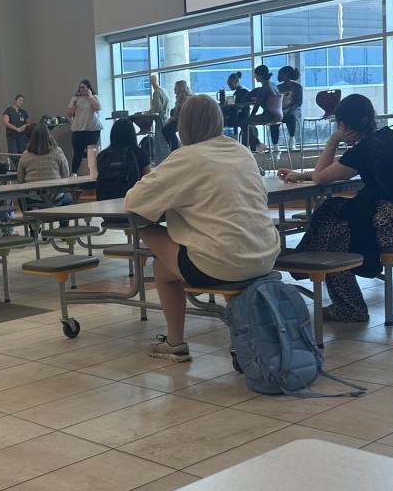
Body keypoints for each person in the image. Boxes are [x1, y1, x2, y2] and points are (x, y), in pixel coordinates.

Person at [125, 95, 280, 362]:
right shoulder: (241, 151)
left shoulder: (186, 157)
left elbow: (134, 201)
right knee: (166, 268)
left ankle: (175, 342)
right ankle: (237, 335)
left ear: (183, 125)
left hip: (220, 263)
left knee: (143, 225)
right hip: (265, 256)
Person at [279, 93, 393, 323]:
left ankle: (347, 306)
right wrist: (301, 175)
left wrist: (333, 140)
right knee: (332, 209)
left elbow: (321, 178)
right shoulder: (390, 138)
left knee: (336, 241)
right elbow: (334, 172)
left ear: (343, 125)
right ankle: (304, 262)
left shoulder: (366, 148)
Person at [17, 122, 73, 206]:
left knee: (20, 198)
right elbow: (66, 174)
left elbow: (20, 178)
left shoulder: (25, 155)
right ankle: (63, 214)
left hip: (33, 198)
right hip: (56, 197)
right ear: (49, 136)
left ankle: (29, 214)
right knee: (68, 198)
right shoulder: (58, 151)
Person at [96, 118, 149, 200]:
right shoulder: (140, 153)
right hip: (132, 201)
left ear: (112, 135)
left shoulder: (102, 155)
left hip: (105, 203)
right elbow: (148, 181)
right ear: (132, 134)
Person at [66, 79, 103, 174]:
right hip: (78, 130)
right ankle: (73, 174)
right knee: (77, 154)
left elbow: (98, 107)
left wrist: (90, 96)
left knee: (92, 153)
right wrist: (75, 102)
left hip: (92, 130)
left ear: (88, 88)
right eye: (79, 87)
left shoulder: (94, 97)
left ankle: (95, 173)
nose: (81, 89)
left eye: (83, 87)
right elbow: (70, 113)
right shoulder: (75, 99)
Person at [247, 64, 284, 148]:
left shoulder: (263, 89)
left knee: (244, 122)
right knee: (249, 123)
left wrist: (251, 116)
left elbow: (257, 106)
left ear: (260, 76)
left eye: (256, 75)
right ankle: (256, 145)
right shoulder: (274, 85)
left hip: (268, 116)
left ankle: (256, 145)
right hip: (279, 115)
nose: (255, 77)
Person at [277, 66, 304, 149]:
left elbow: (298, 103)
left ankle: (292, 139)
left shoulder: (298, 87)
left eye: (280, 74)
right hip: (281, 110)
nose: (278, 76)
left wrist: (288, 110)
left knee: (291, 117)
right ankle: (275, 145)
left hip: (294, 109)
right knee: (274, 119)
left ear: (286, 75)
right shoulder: (278, 87)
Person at [220, 72, 252, 138]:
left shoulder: (242, 92)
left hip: (239, 117)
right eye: (228, 84)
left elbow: (236, 106)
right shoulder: (239, 91)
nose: (229, 86)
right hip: (238, 115)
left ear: (236, 82)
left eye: (230, 84)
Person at [149, 73, 171, 164]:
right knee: (164, 144)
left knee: (160, 145)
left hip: (160, 121)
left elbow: (156, 109)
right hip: (166, 119)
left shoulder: (156, 93)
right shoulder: (164, 90)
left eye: (151, 80)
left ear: (152, 82)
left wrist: (148, 112)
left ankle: (163, 165)